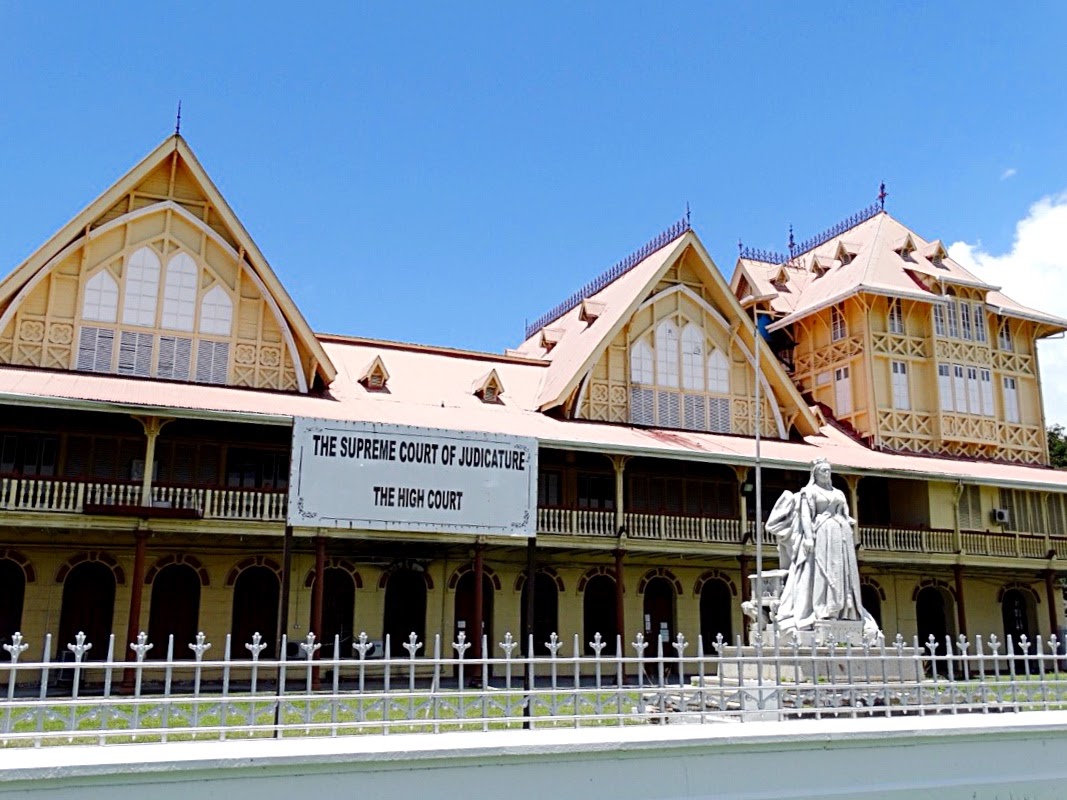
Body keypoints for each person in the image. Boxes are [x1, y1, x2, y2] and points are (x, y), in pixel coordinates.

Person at [771, 458, 878, 639]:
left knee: (840, 573)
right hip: (821, 535)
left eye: (828, 470)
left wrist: (846, 525)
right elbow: (805, 516)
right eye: (823, 470)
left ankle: (843, 609)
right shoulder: (809, 492)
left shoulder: (839, 493)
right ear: (815, 473)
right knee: (822, 572)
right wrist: (808, 538)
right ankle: (823, 608)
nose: (827, 473)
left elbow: (846, 514)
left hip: (840, 536)